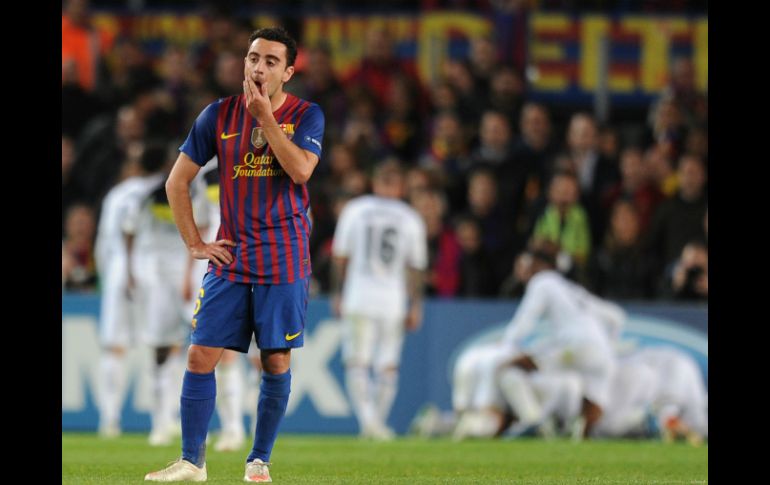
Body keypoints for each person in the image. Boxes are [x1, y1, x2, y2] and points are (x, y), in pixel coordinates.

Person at [145, 27, 324, 483]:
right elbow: (176, 182)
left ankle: (258, 460)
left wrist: (265, 118)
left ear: (288, 71)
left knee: (275, 361)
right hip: (231, 258)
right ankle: (192, 462)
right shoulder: (218, 114)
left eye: (270, 61)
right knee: (199, 356)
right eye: (252, 58)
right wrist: (195, 243)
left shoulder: (307, 115)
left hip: (284, 259)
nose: (258, 67)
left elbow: (301, 171)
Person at [331, 160, 427, 440]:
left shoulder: (355, 209)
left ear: (375, 183)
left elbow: (340, 257)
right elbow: (416, 267)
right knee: (387, 363)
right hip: (392, 300)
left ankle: (368, 422)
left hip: (359, 296)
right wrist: (416, 304)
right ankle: (378, 423)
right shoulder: (410, 217)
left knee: (357, 362)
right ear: (400, 187)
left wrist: (338, 293)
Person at [95, 142, 166, 438]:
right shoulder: (168, 189)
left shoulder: (118, 194)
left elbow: (103, 242)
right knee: (163, 346)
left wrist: (108, 276)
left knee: (115, 346)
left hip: (118, 272)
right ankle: (163, 420)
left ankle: (109, 420)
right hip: (155, 272)